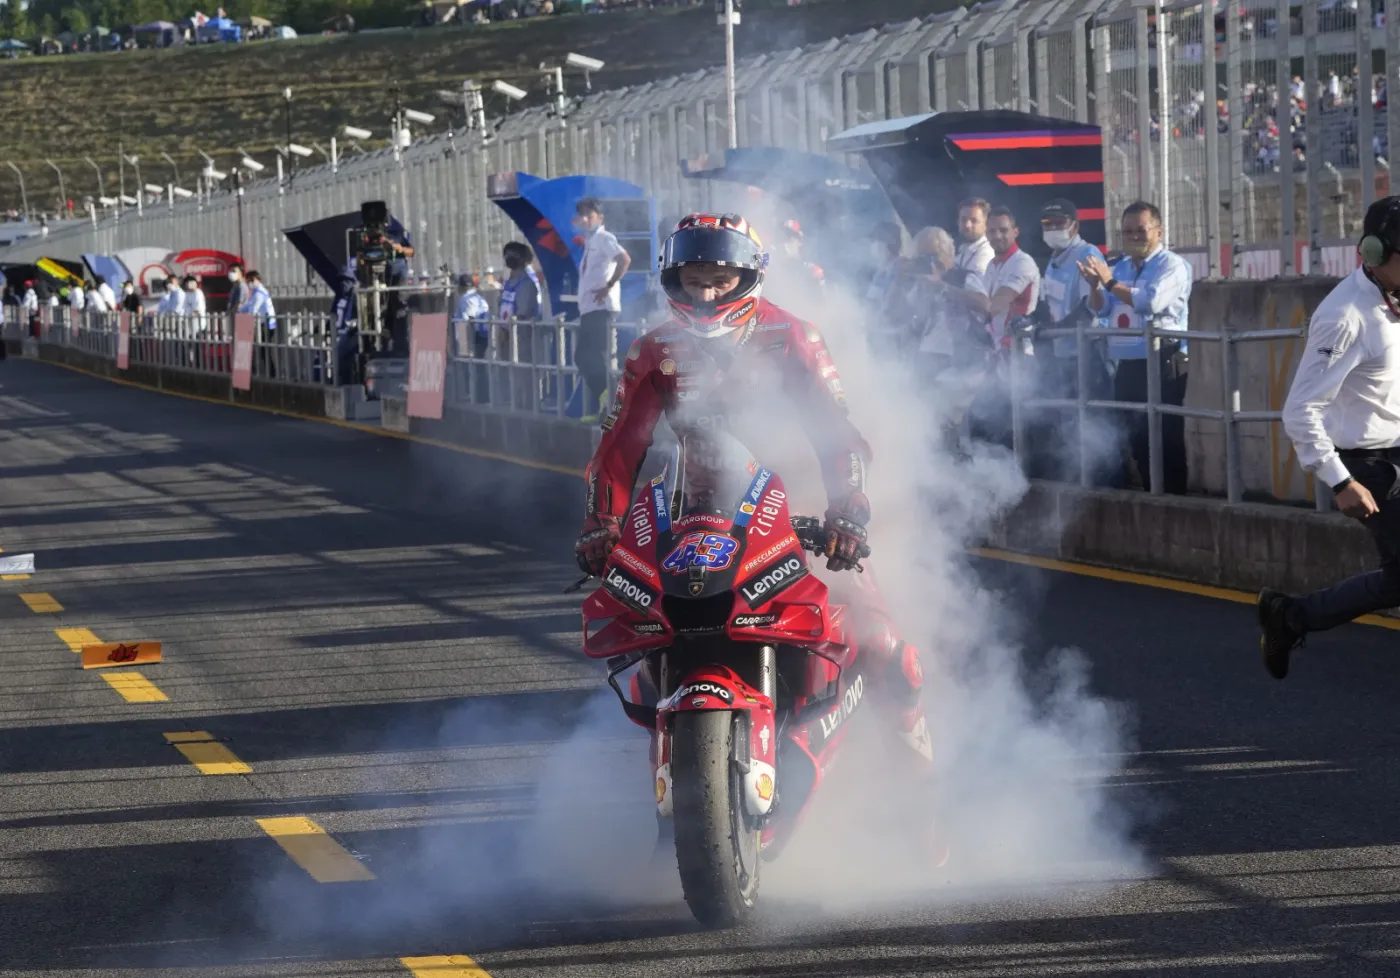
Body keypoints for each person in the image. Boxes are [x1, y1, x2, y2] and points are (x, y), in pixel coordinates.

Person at [573, 212, 932, 767]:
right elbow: (619, 448)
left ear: (748, 277)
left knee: (885, 646)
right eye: (693, 281)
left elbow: (839, 435)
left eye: (719, 279)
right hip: (691, 511)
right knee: (647, 623)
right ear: (674, 282)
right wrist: (603, 525)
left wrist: (847, 512)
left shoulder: (793, 336)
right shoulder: (653, 350)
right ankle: (675, 771)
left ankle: (921, 799)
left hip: (802, 509)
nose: (707, 292)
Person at [1259, 195, 1400, 679]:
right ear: (1376, 254)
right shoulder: (1345, 317)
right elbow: (1299, 410)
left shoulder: (1394, 294)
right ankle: (1291, 615)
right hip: (1371, 464)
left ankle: (1291, 615)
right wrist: (1340, 481)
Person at [1078, 201, 1193, 493]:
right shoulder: (1122, 266)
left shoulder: (1171, 265)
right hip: (1127, 360)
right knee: (1135, 435)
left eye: (1141, 230)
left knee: (1166, 433)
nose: (1134, 236)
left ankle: (1175, 498)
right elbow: (1101, 311)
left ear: (1158, 231)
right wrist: (1095, 287)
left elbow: (1150, 301)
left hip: (1163, 357)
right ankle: (1149, 492)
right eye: (1127, 231)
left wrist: (1109, 281)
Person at [1033, 199, 1111, 481]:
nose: (1053, 229)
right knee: (1068, 423)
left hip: (1088, 352)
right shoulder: (1055, 259)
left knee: (1094, 426)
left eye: (1059, 224)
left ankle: (1104, 485)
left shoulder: (1086, 253)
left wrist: (1054, 330)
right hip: (1063, 353)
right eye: (1048, 225)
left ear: (1074, 226)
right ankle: (1077, 482)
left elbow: (1087, 308)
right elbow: (1050, 305)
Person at [574, 197, 632, 421]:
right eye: (583, 216)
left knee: (592, 356)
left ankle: (610, 401)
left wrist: (608, 286)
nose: (586, 219)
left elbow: (624, 259)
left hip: (601, 309)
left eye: (590, 215)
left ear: (600, 217)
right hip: (589, 309)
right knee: (585, 357)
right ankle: (603, 404)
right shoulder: (591, 241)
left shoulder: (605, 238)